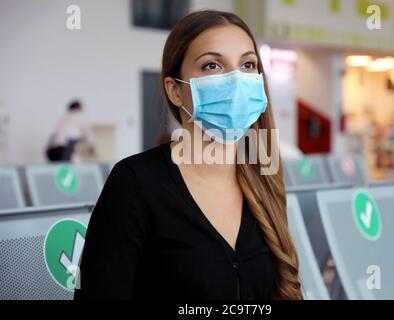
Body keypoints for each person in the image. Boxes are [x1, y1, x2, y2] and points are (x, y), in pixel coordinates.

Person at [75, 10, 302, 300]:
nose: (235, 80)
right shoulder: (135, 184)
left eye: (247, 64)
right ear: (175, 91)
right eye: (211, 65)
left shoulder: (264, 176)